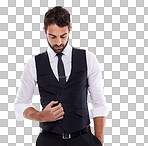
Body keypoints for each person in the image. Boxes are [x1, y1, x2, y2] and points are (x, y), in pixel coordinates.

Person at [14, 6, 109, 146]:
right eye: (52, 36)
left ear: (69, 29)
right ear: (44, 31)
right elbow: (20, 104)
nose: (58, 42)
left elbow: (99, 103)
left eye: (63, 36)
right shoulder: (33, 64)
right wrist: (40, 116)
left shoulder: (88, 58)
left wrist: (98, 141)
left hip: (83, 139)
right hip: (48, 140)